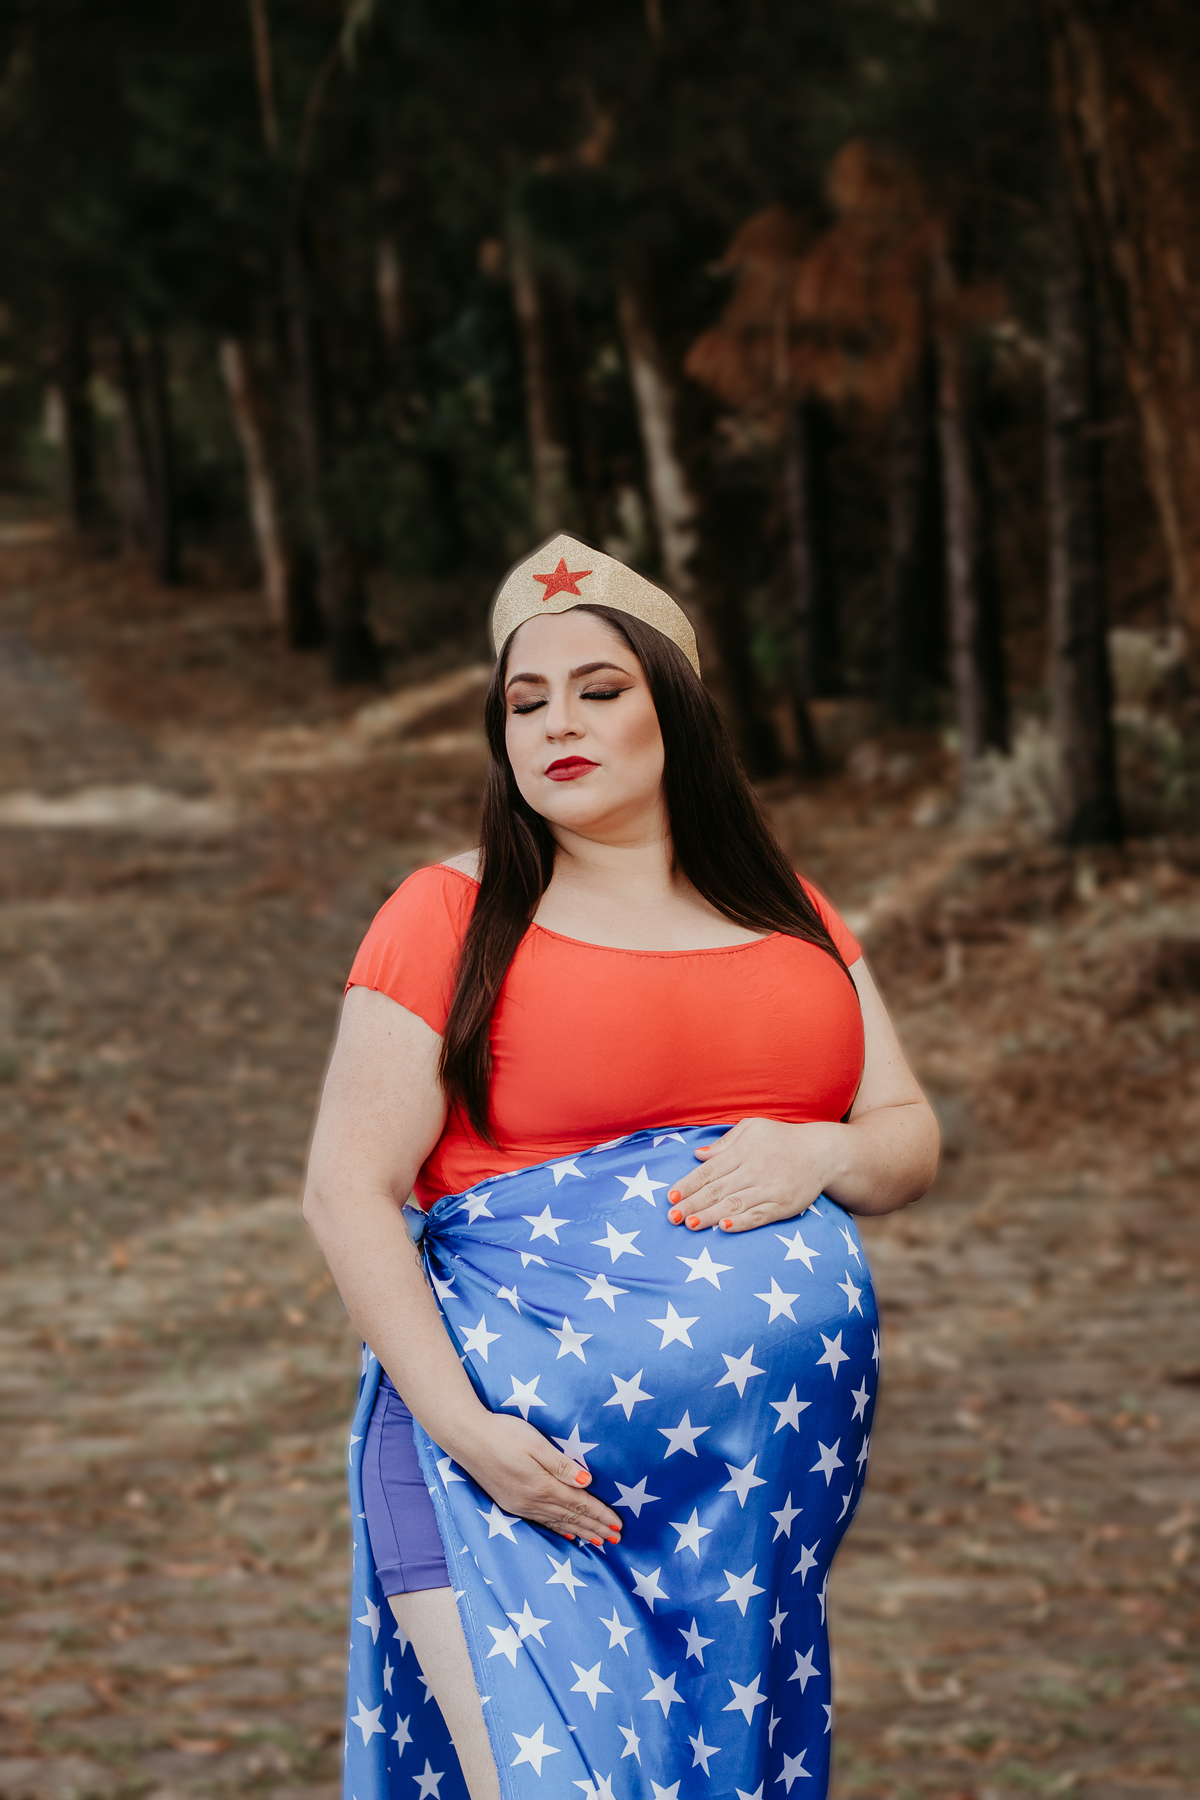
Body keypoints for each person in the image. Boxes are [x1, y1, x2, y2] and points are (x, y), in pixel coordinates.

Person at [303, 534, 939, 1800]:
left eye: (599, 689)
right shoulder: (450, 912)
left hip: (742, 1509)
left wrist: (825, 1146)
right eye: (525, 702)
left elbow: (905, 1134)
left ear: (677, 709)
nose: (557, 724)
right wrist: (470, 1435)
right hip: (508, 1477)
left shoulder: (789, 913)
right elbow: (345, 1191)